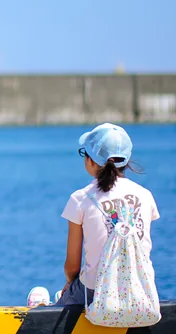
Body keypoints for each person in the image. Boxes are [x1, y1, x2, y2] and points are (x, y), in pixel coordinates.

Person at [56, 123, 158, 307]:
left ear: (91, 161)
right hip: (139, 288)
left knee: (60, 304)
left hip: (95, 290)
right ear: (126, 161)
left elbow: (72, 267)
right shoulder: (145, 196)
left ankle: (42, 303)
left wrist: (70, 284)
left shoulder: (80, 199)